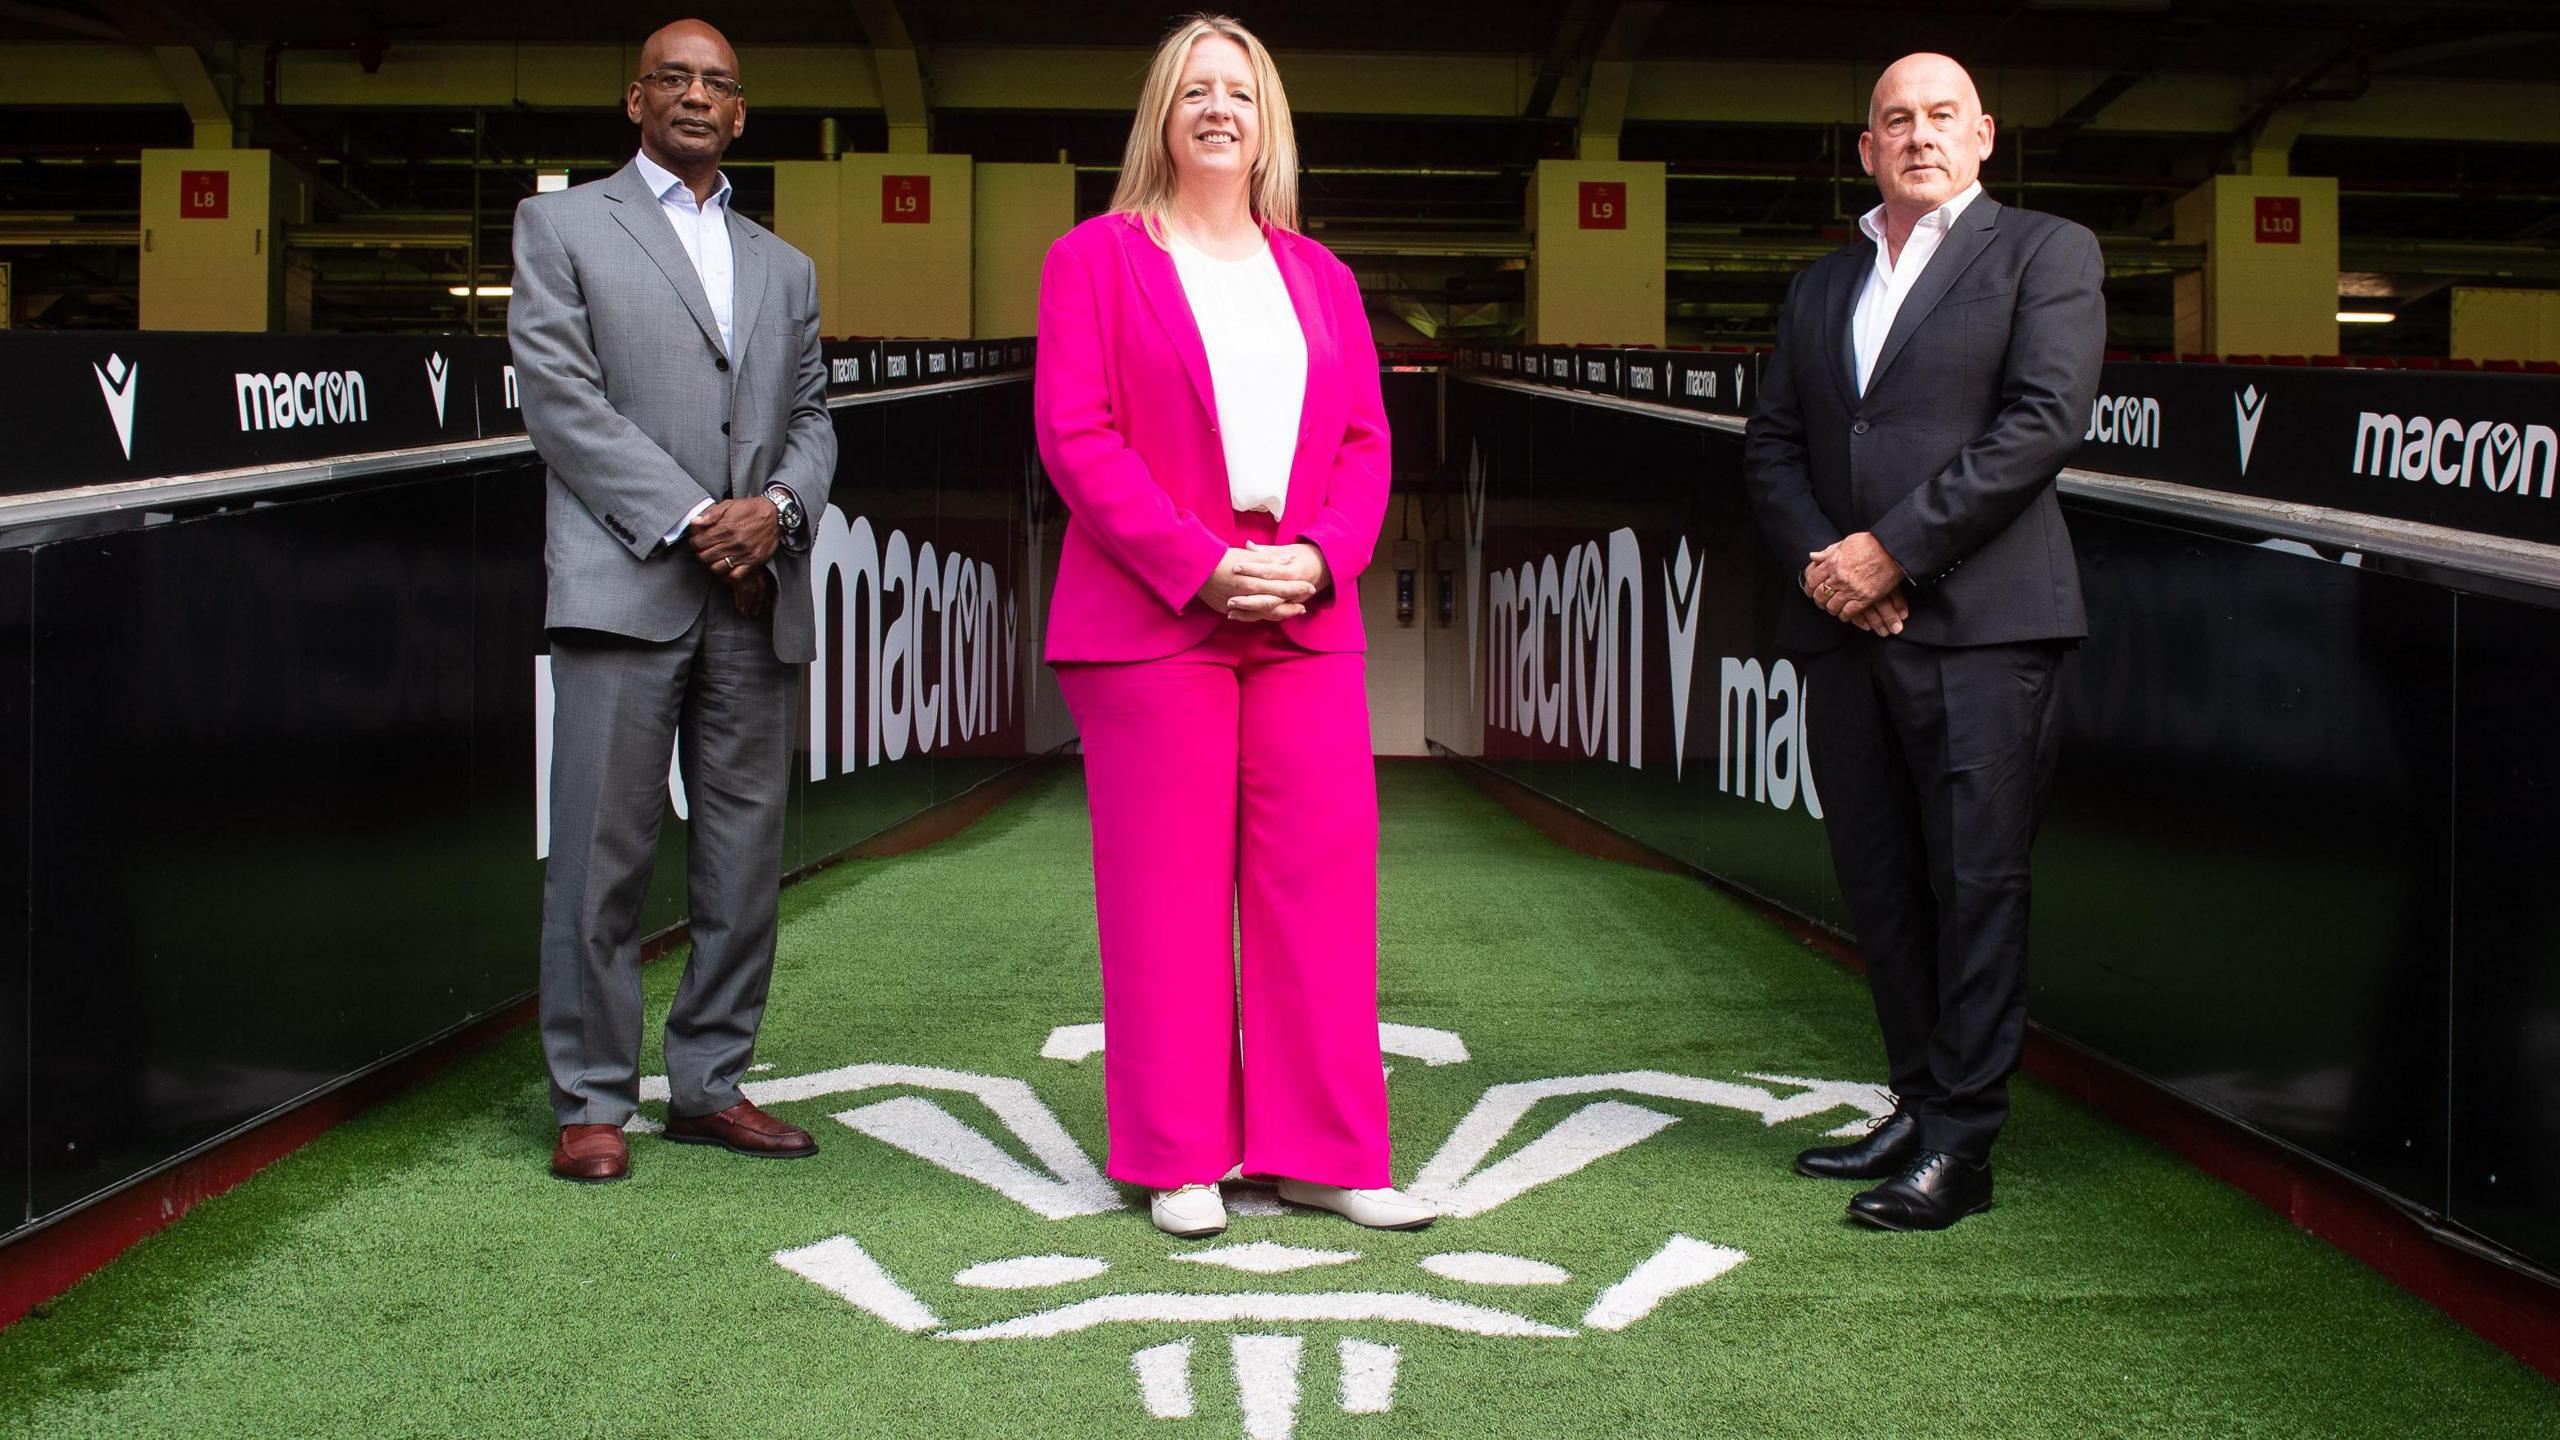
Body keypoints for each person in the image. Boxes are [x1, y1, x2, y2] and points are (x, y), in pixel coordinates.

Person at [1034, 13, 1428, 1238]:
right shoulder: (1092, 258)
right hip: (1156, 614)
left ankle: (1324, 1154)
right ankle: (1180, 1159)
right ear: (1163, 113)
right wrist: (1200, 565)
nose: (1218, 109)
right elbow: (1077, 436)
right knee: (1166, 892)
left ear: (1268, 125)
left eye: (1240, 93)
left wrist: (1317, 557)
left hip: (1304, 610)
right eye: (1195, 89)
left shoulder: (1321, 276)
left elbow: (1366, 439)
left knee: (1320, 888)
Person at [1741, 52, 2105, 1231]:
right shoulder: (1817, 285)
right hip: (1849, 629)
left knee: (1975, 881)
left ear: (1984, 133)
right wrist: (1830, 569)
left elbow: (2042, 423)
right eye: (1894, 120)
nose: (1918, 135)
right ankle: (1914, 1099)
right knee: (1883, 884)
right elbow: (1774, 448)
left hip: (1985, 627)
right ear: (1864, 148)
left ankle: (1964, 1143)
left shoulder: (2046, 253)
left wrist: (1890, 552)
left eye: (1942, 115)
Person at [509, 18, 835, 1183]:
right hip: (625, 587)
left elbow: (812, 418)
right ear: (634, 98)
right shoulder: (560, 226)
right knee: (601, 855)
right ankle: (592, 1098)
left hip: (757, 599)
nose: (696, 96)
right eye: (675, 79)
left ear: (739, 114)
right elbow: (560, 401)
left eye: (719, 84)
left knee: (742, 862)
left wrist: (780, 513)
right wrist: (707, 517)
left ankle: (707, 1086)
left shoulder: (783, 264)